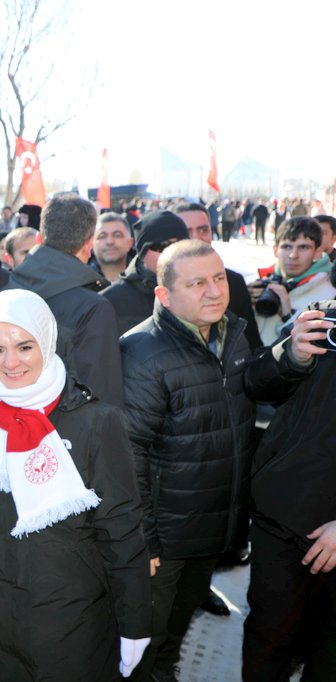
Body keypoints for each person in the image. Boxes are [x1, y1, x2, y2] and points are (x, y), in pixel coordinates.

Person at [0, 289, 151, 680]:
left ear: (46, 341)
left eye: (24, 346)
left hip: (70, 610)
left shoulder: (94, 421)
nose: (10, 363)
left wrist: (135, 622)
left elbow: (122, 529)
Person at [119, 240, 261, 681]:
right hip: (165, 538)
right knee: (148, 638)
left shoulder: (232, 334)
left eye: (219, 278)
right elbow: (130, 453)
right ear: (164, 295)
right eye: (197, 283)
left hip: (211, 527)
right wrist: (146, 540)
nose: (215, 291)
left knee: (176, 628)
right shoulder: (141, 352)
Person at [241, 303, 336, 679]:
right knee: (268, 638)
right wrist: (291, 355)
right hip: (280, 515)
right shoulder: (321, 319)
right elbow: (256, 384)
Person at [9, 193, 124, 407]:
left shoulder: (5, 290)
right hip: (66, 434)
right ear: (88, 244)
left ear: (39, 239)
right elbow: (102, 397)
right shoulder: (92, 308)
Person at [172, 201, 263, 350]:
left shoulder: (234, 283)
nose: (196, 238)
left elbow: (253, 347)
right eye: (187, 232)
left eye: (203, 230)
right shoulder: (162, 285)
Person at [250, 216, 336, 346]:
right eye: (287, 247)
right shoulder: (258, 283)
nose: (293, 255)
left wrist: (289, 316)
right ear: (275, 250)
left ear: (317, 252)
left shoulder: (329, 297)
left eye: (303, 247)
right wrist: (242, 301)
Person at [103, 210, 189, 336]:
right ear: (142, 254)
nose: (173, 252)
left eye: (180, 244)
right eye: (162, 246)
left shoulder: (209, 285)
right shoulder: (110, 302)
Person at [91, 213, 135, 284]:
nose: (110, 241)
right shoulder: (78, 281)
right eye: (102, 236)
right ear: (91, 244)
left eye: (117, 235)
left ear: (130, 243)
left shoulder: (148, 282)